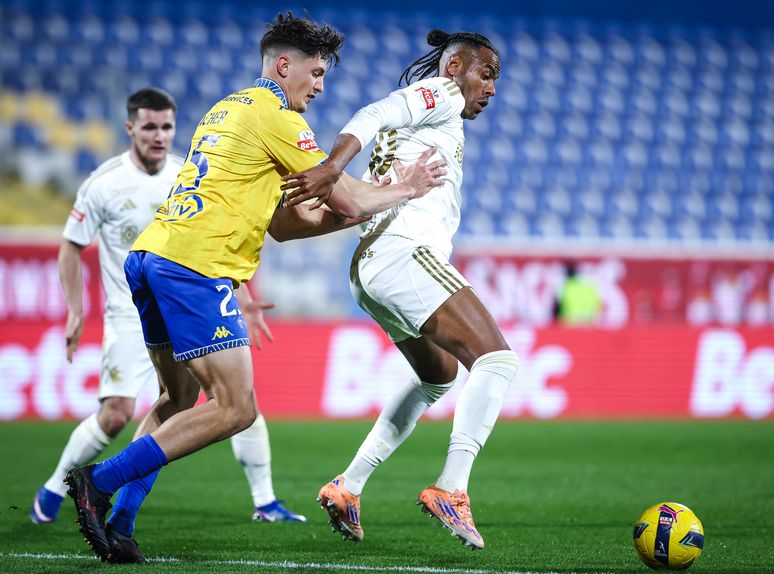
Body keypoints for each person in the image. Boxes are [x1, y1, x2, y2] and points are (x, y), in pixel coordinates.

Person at [64, 12, 445, 564]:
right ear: (283, 65)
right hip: (196, 266)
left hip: (151, 258)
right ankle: (98, 483)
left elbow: (286, 226)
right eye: (315, 74)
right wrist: (403, 189)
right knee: (235, 408)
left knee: (179, 399)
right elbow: (351, 199)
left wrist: (358, 208)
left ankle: (119, 521)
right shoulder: (279, 118)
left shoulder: (229, 108)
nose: (319, 87)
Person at [30, 87, 306, 546]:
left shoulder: (188, 170)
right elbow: (70, 246)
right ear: (130, 129)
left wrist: (241, 298)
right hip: (127, 309)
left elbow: (216, 237)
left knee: (198, 402)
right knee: (130, 413)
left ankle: (133, 518)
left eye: (167, 127)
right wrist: (75, 309)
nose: (160, 135)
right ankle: (63, 488)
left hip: (181, 293)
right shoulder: (103, 183)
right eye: (150, 126)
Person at [282, 29, 516, 550]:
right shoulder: (444, 93)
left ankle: (349, 485)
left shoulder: (426, 128)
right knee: (497, 361)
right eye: (487, 73)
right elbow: (374, 112)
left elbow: (377, 152)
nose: (491, 88)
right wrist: (331, 165)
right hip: (405, 254)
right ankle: (452, 487)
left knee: (438, 374)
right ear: (455, 66)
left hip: (373, 264)